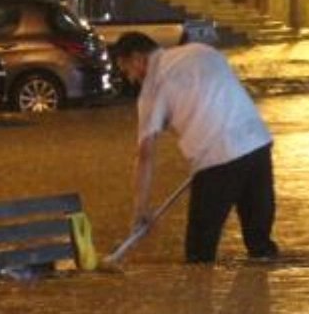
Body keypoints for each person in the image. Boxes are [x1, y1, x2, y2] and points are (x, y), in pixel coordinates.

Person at [110, 32, 279, 263]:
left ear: (138, 59)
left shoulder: (152, 90)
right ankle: (261, 295)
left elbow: (146, 155)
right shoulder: (201, 51)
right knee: (261, 249)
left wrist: (141, 211)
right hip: (257, 144)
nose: (130, 78)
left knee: (199, 257)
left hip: (216, 161)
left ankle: (200, 297)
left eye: (126, 69)